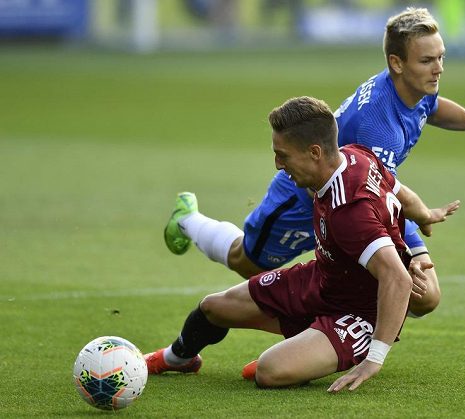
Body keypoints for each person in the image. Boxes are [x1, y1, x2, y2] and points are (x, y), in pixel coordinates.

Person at [163, 7, 465, 317]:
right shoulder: (376, 125)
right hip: (302, 198)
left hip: (360, 202)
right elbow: (378, 189)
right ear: (396, 63)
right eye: (427, 60)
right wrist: (420, 216)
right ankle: (187, 219)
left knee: (423, 296)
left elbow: (434, 109)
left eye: (440, 58)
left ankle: (341, 339)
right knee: (247, 261)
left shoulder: (415, 85)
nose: (438, 68)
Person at [146, 96, 449, 391]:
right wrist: (424, 214)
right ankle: (178, 359)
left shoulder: (350, 211)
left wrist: (375, 359)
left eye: (284, 155)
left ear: (315, 152)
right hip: (326, 280)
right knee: (213, 308)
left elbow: (395, 278)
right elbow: (399, 190)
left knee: (270, 371)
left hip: (360, 312)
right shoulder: (356, 154)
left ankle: (305, 354)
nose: (278, 165)